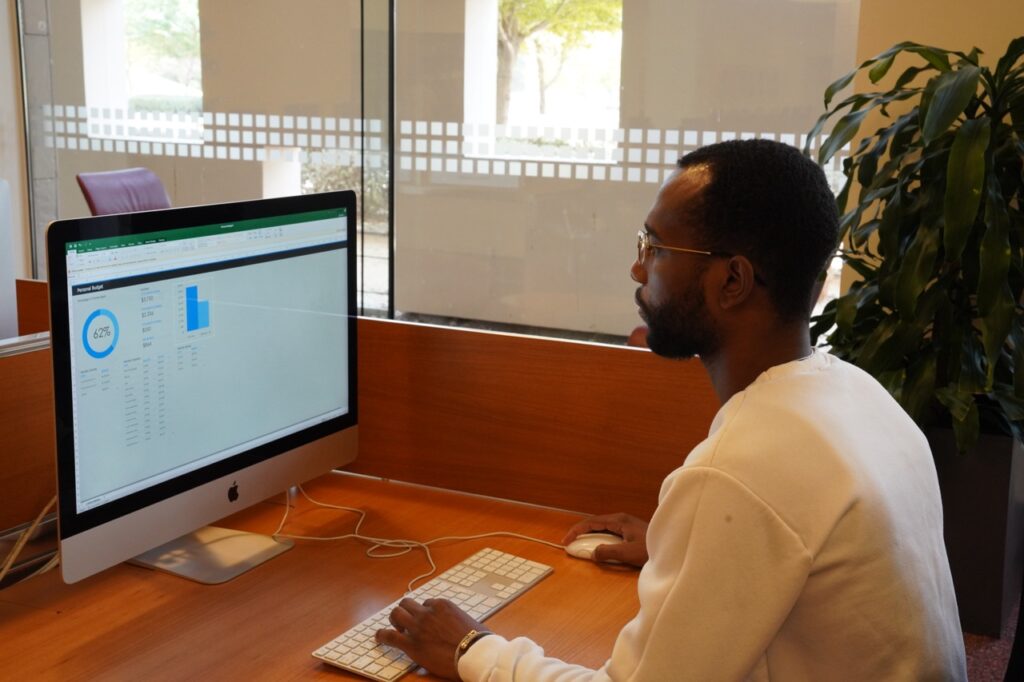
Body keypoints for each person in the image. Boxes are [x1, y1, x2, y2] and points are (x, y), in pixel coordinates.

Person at [375, 139, 968, 680]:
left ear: (732, 280)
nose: (638, 269)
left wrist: (472, 650)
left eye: (655, 247)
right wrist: (682, 551)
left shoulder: (742, 468)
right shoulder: (861, 395)